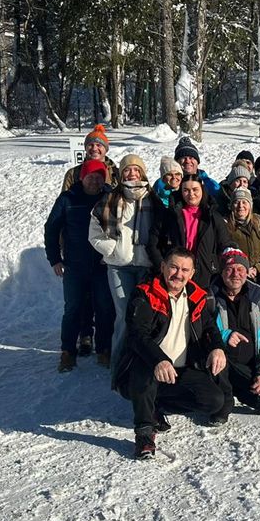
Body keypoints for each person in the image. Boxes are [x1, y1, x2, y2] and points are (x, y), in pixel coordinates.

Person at [115, 248, 230, 459]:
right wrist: (159, 360)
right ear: (163, 267)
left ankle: (155, 405)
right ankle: (145, 434)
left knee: (213, 400)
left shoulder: (197, 296)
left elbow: (209, 329)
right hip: (147, 367)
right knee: (144, 368)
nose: (178, 274)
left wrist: (217, 348)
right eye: (174, 267)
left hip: (180, 371)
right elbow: (138, 335)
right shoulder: (145, 293)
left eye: (185, 270)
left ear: (192, 273)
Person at [90, 153, 160, 382]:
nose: (132, 174)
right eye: (127, 170)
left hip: (145, 266)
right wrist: (112, 249)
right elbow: (94, 232)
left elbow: (162, 228)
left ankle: (140, 363)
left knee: (141, 317)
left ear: (142, 172)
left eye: (136, 170)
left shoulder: (153, 198)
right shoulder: (110, 199)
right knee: (122, 315)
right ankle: (118, 366)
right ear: (121, 174)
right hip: (119, 267)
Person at [45, 159, 115, 372]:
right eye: (90, 176)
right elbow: (51, 228)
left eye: (99, 176)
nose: (94, 180)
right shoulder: (68, 199)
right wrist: (55, 258)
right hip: (75, 266)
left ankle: (104, 348)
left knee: (105, 308)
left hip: (102, 265)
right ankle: (68, 351)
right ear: (82, 177)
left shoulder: (109, 197)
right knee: (73, 309)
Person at [211, 247, 260, 417]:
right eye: (229, 269)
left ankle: (234, 389)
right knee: (217, 406)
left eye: (240, 269)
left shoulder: (257, 297)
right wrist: (225, 335)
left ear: (247, 271)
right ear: (221, 272)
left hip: (249, 365)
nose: (235, 274)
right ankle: (223, 395)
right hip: (220, 363)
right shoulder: (210, 296)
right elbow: (202, 331)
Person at [148, 173, 233, 282]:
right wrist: (162, 267)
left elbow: (225, 243)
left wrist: (216, 265)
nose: (191, 194)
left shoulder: (213, 216)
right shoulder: (170, 215)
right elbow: (153, 243)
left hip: (205, 275)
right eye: (186, 190)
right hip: (174, 276)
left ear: (202, 190)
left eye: (195, 189)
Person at [225, 187, 260, 278]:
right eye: (236, 202)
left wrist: (259, 268)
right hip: (237, 277)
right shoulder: (225, 226)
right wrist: (243, 270)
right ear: (231, 205)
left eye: (244, 202)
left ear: (250, 205)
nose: (240, 206)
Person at [61, 124, 118, 191]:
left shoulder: (116, 173)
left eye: (98, 145)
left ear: (106, 149)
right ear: (85, 148)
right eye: (90, 145)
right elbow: (64, 199)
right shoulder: (73, 174)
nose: (94, 149)